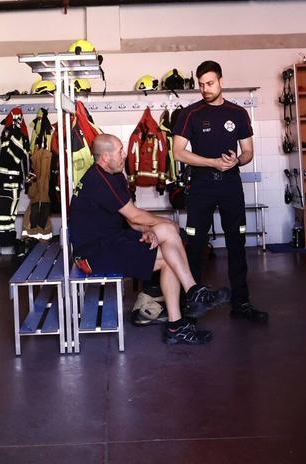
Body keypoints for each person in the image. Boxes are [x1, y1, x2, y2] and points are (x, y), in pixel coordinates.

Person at [69, 134, 230, 345]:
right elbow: (134, 215)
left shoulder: (114, 174)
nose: (125, 154)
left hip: (113, 240)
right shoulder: (98, 179)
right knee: (171, 239)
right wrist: (163, 225)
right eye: (120, 151)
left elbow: (132, 220)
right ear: (105, 157)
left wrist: (147, 228)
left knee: (170, 245)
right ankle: (189, 301)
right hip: (92, 255)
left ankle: (182, 314)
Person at [171, 61, 269, 324]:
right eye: (201, 84)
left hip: (230, 186)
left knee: (237, 244)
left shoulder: (237, 112)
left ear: (221, 81)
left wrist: (237, 160)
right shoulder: (190, 113)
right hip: (201, 186)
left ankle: (242, 302)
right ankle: (191, 304)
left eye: (210, 83)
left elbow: (248, 151)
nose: (205, 89)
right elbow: (178, 152)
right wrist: (212, 162)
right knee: (195, 245)